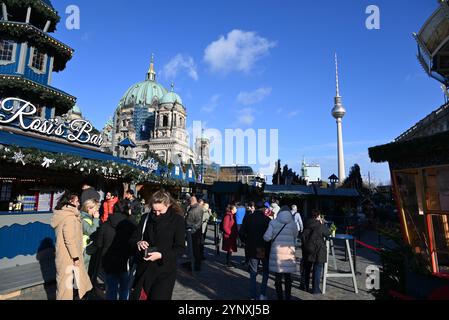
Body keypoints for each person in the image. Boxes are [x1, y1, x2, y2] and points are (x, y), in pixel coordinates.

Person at [129, 190, 186, 300]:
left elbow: (180, 248)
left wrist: (161, 255)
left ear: (168, 205)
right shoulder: (145, 218)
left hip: (164, 271)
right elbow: (133, 239)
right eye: (154, 211)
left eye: (160, 210)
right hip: (144, 270)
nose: (157, 214)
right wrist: (138, 242)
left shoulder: (177, 220)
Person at [51, 192, 92, 300]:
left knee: (66, 285)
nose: (79, 203)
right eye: (77, 200)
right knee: (65, 287)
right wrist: (76, 257)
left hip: (64, 255)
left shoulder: (63, 214)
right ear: (71, 202)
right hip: (68, 257)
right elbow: (69, 240)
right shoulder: (69, 217)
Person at [97, 201, 137, 300]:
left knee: (111, 289)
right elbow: (135, 242)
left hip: (109, 260)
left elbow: (99, 244)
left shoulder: (105, 224)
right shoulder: (131, 224)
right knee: (124, 289)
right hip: (125, 260)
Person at [263, 205, 297, 300]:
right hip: (289, 254)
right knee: (288, 278)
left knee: (278, 278)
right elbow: (296, 235)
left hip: (277, 254)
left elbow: (267, 237)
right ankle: (288, 297)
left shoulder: (273, 222)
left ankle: (280, 297)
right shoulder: (293, 223)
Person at [239, 201, 271, 300]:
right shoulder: (267, 220)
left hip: (252, 247)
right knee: (265, 271)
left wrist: (246, 241)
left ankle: (253, 295)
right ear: (263, 209)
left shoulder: (248, 218)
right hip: (263, 248)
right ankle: (262, 294)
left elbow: (241, 232)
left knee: (253, 272)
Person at [301, 209, 331, 294]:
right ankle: (315, 289)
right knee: (317, 269)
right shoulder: (319, 225)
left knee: (307, 268)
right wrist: (321, 223)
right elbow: (328, 233)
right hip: (318, 250)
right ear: (318, 216)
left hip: (307, 249)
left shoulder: (306, 223)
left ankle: (305, 286)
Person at [80, 199, 100, 277]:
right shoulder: (84, 219)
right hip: (85, 248)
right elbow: (91, 232)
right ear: (89, 208)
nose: (97, 210)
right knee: (84, 270)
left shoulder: (87, 217)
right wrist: (96, 219)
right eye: (96, 208)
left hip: (88, 247)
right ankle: (81, 288)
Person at [185, 196, 204, 271]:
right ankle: (194, 263)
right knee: (195, 249)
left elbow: (193, 223)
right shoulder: (196, 208)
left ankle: (195, 264)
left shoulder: (195, 209)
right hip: (195, 231)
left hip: (193, 232)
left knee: (194, 249)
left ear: (191, 201)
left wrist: (190, 231)